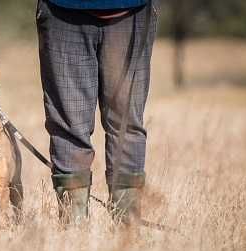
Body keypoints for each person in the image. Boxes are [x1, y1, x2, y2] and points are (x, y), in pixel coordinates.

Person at [36, 0, 158, 225]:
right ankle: (73, 229)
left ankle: (127, 229)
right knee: (68, 124)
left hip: (132, 10)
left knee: (126, 124)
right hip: (62, 10)